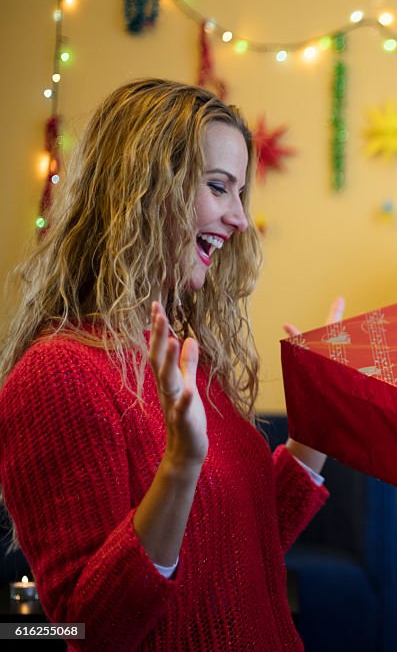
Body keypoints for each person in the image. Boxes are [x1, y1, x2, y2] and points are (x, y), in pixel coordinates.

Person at [0, 79, 334, 651]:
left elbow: (238, 551)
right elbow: (88, 628)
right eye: (217, 187)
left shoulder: (180, 355)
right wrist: (180, 467)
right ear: (143, 191)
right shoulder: (56, 375)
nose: (237, 219)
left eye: (240, 193)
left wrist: (316, 432)